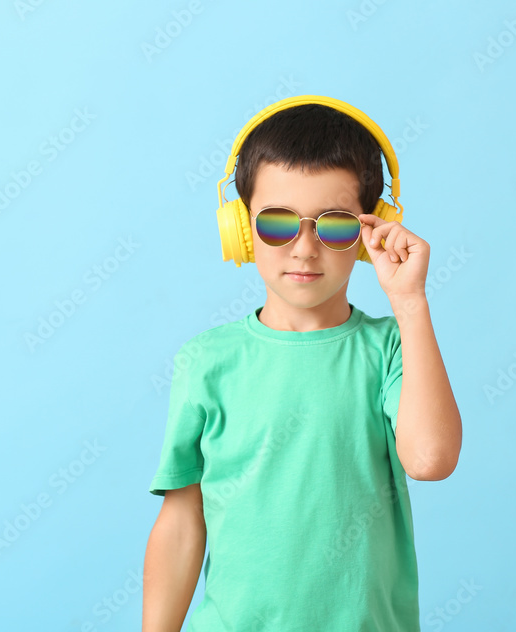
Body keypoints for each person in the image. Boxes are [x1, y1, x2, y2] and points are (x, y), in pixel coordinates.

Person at [143, 97, 462, 631]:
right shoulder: (206, 362)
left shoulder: (391, 350)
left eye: (334, 226)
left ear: (369, 232)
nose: (304, 248)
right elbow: (181, 522)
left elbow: (430, 461)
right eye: (277, 223)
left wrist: (410, 304)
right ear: (241, 227)